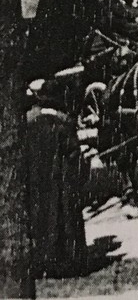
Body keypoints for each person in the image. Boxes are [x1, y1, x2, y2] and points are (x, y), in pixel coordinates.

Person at [25, 81, 87, 279]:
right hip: (62, 182)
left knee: (41, 220)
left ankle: (43, 261)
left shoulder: (29, 122)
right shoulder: (63, 123)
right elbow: (73, 155)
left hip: (37, 182)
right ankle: (68, 262)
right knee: (66, 220)